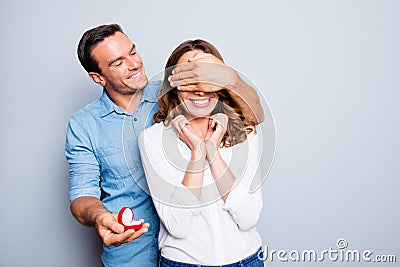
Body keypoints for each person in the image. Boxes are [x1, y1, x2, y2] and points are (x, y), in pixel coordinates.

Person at [65, 24, 264, 266]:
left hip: (197, 245)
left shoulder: (177, 91)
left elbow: (251, 116)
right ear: (98, 78)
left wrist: (228, 78)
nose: (134, 64)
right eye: (118, 62)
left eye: (133, 52)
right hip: (133, 250)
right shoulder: (84, 125)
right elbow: (81, 195)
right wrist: (100, 217)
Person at [138, 40, 264, 266]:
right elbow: (179, 225)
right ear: (173, 86)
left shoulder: (245, 131)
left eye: (207, 79)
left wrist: (212, 152)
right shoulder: (154, 139)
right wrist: (197, 153)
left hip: (248, 260)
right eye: (188, 79)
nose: (199, 89)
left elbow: (248, 218)